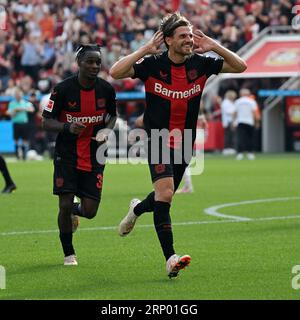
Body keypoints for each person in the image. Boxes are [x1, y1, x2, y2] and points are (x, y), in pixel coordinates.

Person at [110, 12, 247, 278]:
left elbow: (240, 66)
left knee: (163, 196)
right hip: (156, 139)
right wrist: (145, 49)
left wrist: (214, 45)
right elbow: (116, 72)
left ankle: (137, 209)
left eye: (191, 35)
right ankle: (170, 258)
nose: (189, 40)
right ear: (169, 40)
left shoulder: (201, 64)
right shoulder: (152, 64)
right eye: (183, 36)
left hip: (185, 142)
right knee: (167, 194)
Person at [42, 44, 117, 266]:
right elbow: (46, 121)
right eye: (90, 61)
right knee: (64, 205)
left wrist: (106, 130)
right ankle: (69, 253)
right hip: (67, 155)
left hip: (95, 155)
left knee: (90, 211)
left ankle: (74, 211)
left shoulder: (106, 90)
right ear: (79, 63)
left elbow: (112, 116)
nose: (94, 66)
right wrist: (66, 127)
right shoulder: (62, 89)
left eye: (98, 62)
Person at [7, 88, 35, 160]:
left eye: (19, 95)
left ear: (21, 95)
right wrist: (15, 110)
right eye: (16, 95)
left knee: (24, 140)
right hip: (16, 123)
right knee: (16, 140)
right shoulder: (12, 103)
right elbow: (9, 113)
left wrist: (22, 109)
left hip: (24, 123)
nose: (18, 96)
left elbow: (32, 109)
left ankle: (24, 156)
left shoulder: (25, 103)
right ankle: (17, 156)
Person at [233, 88, 258, 160]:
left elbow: (235, 113)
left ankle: (240, 153)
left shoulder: (238, 101)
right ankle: (250, 153)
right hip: (250, 122)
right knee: (250, 138)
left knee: (241, 138)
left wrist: (233, 121)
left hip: (240, 121)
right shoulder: (252, 101)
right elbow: (254, 113)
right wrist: (256, 122)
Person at [221, 90, 237, 155]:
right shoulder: (225, 102)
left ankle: (231, 148)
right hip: (228, 121)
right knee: (228, 135)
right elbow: (229, 112)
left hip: (232, 121)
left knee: (231, 135)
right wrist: (236, 112)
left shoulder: (231, 102)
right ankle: (226, 149)